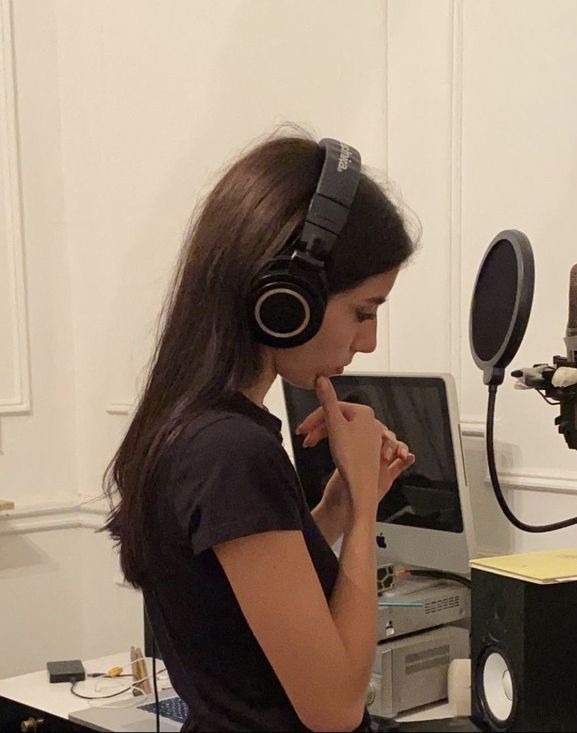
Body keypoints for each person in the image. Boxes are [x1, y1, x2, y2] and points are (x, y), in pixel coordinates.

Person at [103, 130, 418, 732]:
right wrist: (365, 520)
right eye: (364, 311)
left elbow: (232, 603)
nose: (369, 341)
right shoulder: (231, 451)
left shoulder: (194, 429)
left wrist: (332, 513)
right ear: (286, 297)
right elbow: (335, 708)